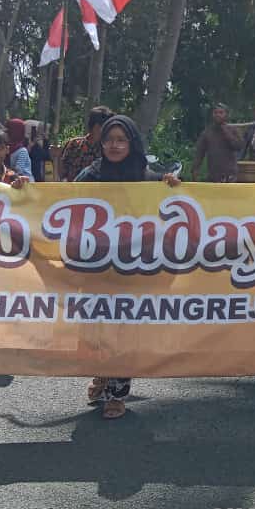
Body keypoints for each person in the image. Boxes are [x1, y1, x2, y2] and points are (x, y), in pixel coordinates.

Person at [75, 115, 181, 418]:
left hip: (132, 268)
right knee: (95, 327)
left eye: (121, 139)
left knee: (122, 327)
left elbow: (172, 206)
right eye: (109, 139)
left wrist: (172, 187)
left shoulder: (148, 178)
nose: (114, 145)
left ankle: (117, 394)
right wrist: (23, 189)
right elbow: (59, 200)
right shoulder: (90, 176)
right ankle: (103, 373)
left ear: (132, 142)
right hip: (95, 264)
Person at [60, 106, 115, 182]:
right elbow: (63, 170)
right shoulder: (74, 144)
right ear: (96, 127)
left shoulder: (107, 150)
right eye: (106, 127)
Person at [192, 103, 243, 183]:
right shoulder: (207, 132)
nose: (218, 115)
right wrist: (195, 170)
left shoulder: (233, 130)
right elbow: (199, 153)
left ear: (226, 115)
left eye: (221, 112)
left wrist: (226, 132)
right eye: (215, 112)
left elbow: (239, 146)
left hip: (230, 176)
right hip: (213, 176)